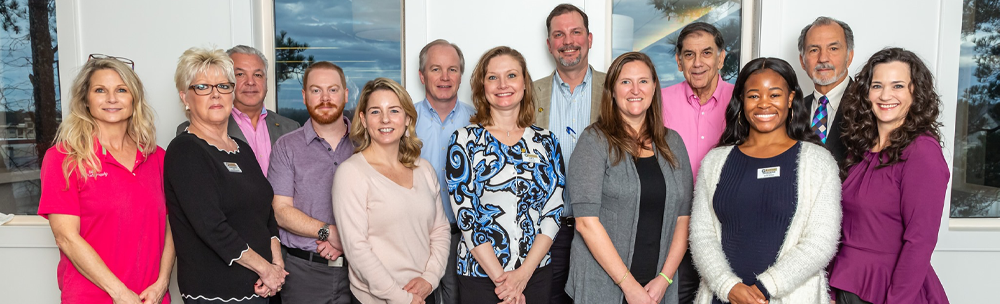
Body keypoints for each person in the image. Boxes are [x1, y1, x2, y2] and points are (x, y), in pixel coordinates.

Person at [689, 57, 841, 304]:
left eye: (774, 95)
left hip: (786, 297)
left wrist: (763, 289)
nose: (763, 104)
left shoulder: (818, 162)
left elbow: (820, 242)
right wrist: (728, 287)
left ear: (790, 99)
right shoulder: (714, 162)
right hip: (722, 297)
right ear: (742, 100)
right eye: (753, 96)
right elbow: (701, 236)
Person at [38, 57, 173, 304]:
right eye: (100, 90)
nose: (112, 98)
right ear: (85, 100)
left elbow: (172, 227)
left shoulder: (158, 158)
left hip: (151, 298)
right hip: (94, 297)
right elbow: (66, 237)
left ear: (134, 99)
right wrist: (120, 294)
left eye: (121, 90)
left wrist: (162, 283)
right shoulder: (63, 159)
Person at [566, 52, 693, 304]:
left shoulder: (673, 143)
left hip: (658, 286)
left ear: (654, 87)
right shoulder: (593, 142)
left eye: (643, 81)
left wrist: (664, 280)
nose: (635, 89)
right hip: (603, 285)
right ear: (612, 90)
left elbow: (683, 218)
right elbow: (586, 224)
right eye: (625, 82)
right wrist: (630, 287)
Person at [828, 47, 951, 304]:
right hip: (846, 284)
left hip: (892, 291)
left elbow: (920, 241)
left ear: (915, 92)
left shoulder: (922, 152)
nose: (885, 95)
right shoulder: (860, 147)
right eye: (877, 86)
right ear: (866, 92)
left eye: (898, 86)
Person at [165, 47, 286, 303]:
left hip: (262, 287)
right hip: (218, 292)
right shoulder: (185, 150)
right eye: (203, 87)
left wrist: (275, 264)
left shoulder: (241, 149)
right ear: (185, 97)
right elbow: (211, 227)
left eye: (223, 86)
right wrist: (265, 270)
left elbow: (266, 211)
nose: (215, 94)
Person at [448, 46, 565, 304]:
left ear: (524, 83)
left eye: (511, 75)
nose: (503, 84)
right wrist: (505, 283)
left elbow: (553, 211)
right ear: (482, 86)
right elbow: (468, 216)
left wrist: (523, 275)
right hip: (480, 275)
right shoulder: (464, 141)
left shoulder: (546, 142)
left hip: (535, 273)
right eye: (492, 77)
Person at [332, 78, 451, 304]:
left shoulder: (424, 169)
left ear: (407, 119)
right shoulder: (351, 173)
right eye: (375, 111)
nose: (385, 119)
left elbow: (440, 230)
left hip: (425, 294)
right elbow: (357, 248)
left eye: (394, 110)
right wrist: (402, 298)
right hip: (379, 299)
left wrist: (430, 279)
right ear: (363, 120)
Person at [533, 5, 607, 303]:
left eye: (576, 32)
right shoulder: (527, 93)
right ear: (549, 44)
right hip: (546, 232)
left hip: (603, 228)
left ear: (589, 38)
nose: (568, 41)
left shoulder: (616, 90)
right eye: (559, 34)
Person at [659, 22, 735, 304]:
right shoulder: (659, 101)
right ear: (679, 61)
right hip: (671, 227)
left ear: (721, 57)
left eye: (706, 53)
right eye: (689, 55)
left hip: (724, 227)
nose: (698, 62)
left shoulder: (741, 101)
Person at [267, 61, 355, 303]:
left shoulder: (365, 144)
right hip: (304, 274)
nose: (325, 97)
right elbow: (281, 211)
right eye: (316, 90)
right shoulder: (286, 146)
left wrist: (347, 241)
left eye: (333, 90)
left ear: (346, 95)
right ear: (305, 96)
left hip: (361, 270)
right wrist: (329, 233)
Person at [413, 39, 475, 304]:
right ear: (422, 75)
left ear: (461, 76)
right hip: (414, 236)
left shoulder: (479, 122)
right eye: (436, 69)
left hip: (464, 238)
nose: (445, 77)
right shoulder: (402, 121)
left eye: (452, 69)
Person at [176, 45, 301, 176]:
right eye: (240, 74)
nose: (250, 82)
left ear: (266, 82)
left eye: (258, 75)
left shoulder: (291, 128)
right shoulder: (195, 133)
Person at [798, 16, 856, 166]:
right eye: (814, 50)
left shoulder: (870, 105)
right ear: (802, 61)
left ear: (849, 56)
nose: (823, 58)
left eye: (833, 49)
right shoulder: (793, 111)